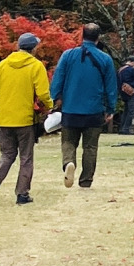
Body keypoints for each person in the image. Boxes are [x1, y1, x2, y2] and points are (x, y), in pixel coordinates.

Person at [50, 23, 120, 189]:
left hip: (70, 108)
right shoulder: (105, 59)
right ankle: (86, 180)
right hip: (94, 109)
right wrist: (111, 108)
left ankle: (68, 162)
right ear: (98, 38)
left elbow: (57, 79)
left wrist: (55, 98)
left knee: (68, 141)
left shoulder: (68, 55)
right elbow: (111, 87)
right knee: (90, 147)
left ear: (82, 36)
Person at [0, 31, 51, 206]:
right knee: (26, 157)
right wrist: (49, 106)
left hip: (5, 119)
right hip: (25, 120)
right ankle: (22, 194)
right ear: (34, 48)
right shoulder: (36, 66)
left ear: (18, 46)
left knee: (7, 154)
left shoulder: (3, 65)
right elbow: (43, 93)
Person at [117, 58, 134, 136]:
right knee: (131, 111)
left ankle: (122, 128)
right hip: (131, 92)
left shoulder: (120, 70)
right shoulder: (131, 70)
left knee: (126, 110)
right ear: (132, 62)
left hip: (122, 92)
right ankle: (126, 129)